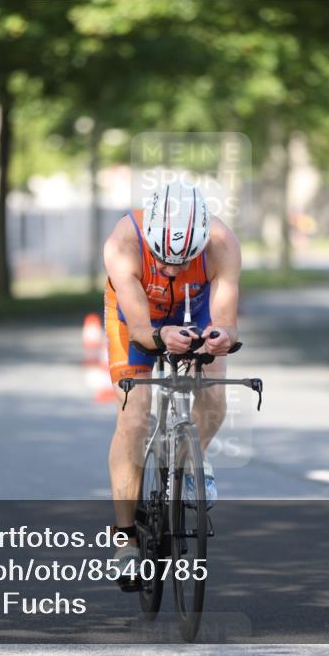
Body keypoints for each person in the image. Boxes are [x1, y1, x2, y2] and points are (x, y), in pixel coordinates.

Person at [102, 180, 241, 591]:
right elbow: (143, 330)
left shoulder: (222, 243)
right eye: (164, 260)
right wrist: (159, 337)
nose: (171, 270)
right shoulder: (122, 243)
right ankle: (125, 539)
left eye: (184, 261)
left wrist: (220, 338)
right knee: (134, 419)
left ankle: (187, 466)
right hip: (134, 315)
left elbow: (226, 320)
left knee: (214, 398)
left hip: (195, 308)